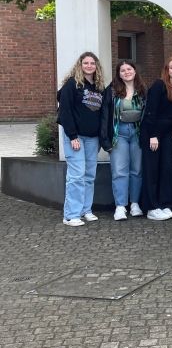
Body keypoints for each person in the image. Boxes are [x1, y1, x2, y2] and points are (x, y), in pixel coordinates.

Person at [57, 51, 106, 226]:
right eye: (86, 63)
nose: (89, 66)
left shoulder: (98, 87)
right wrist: (72, 135)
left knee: (89, 175)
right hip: (75, 138)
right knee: (76, 176)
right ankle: (71, 215)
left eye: (92, 63)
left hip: (92, 139)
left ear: (96, 66)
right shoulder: (72, 84)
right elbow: (65, 111)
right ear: (80, 65)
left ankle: (86, 210)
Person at [100, 60, 146, 221]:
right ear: (118, 74)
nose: (126, 72)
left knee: (137, 170)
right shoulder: (111, 91)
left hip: (137, 133)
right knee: (119, 171)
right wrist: (105, 140)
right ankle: (120, 206)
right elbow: (105, 115)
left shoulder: (143, 90)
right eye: (122, 70)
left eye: (129, 69)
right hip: (118, 133)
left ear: (135, 70)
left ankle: (134, 204)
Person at [140, 56, 172, 221]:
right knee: (152, 170)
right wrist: (152, 135)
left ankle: (165, 204)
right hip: (153, 133)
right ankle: (151, 207)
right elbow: (151, 111)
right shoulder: (159, 85)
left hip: (168, 134)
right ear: (167, 70)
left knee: (166, 169)